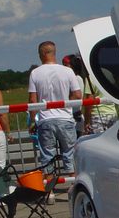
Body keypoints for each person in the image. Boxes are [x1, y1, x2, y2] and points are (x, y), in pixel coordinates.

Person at [28, 41, 82, 185]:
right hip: (65, 118)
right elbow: (78, 94)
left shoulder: (35, 73)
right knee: (70, 154)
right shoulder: (68, 71)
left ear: (42, 54)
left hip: (45, 119)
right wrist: (67, 102)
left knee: (47, 156)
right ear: (54, 52)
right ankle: (74, 185)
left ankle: (50, 190)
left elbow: (32, 100)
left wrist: (33, 121)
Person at [70, 54, 118, 134]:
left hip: (97, 116)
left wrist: (87, 122)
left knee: (98, 140)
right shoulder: (109, 74)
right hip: (112, 113)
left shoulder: (90, 78)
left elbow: (90, 101)